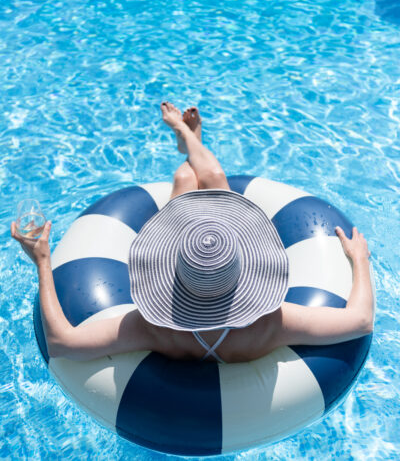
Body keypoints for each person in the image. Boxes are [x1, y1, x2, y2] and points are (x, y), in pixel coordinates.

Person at [11, 102, 374, 363]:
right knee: (214, 180)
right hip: (242, 332)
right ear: (248, 270)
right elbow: (360, 321)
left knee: (187, 178)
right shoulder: (274, 322)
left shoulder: (152, 327)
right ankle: (189, 139)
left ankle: (187, 140)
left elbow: (61, 344)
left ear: (171, 271)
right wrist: (360, 261)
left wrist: (42, 261)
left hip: (179, 325)